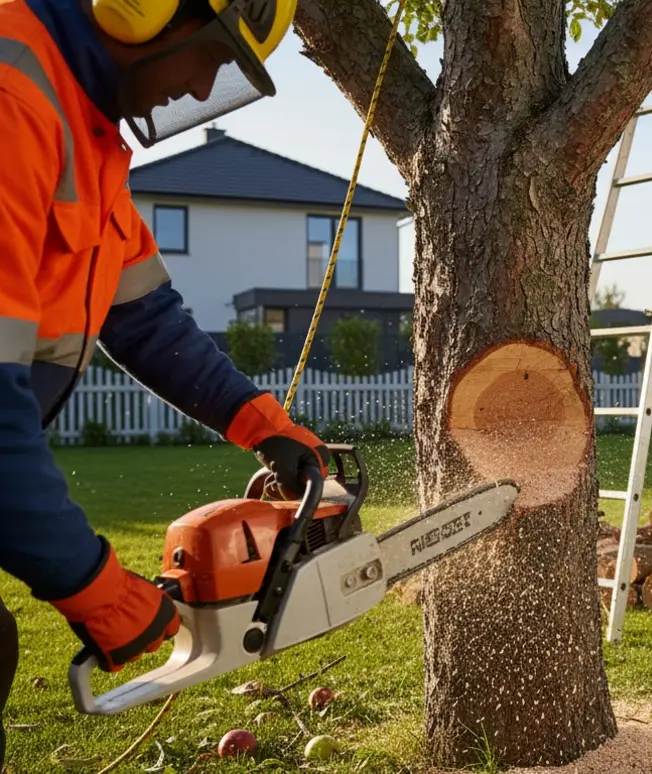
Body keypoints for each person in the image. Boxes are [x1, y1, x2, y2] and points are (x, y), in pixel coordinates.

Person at [0, 0, 324, 764]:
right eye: (211, 56)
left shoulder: (84, 127)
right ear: (142, 9)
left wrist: (262, 423)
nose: (201, 85)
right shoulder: (16, 97)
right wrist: (95, 586)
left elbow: (145, 319)